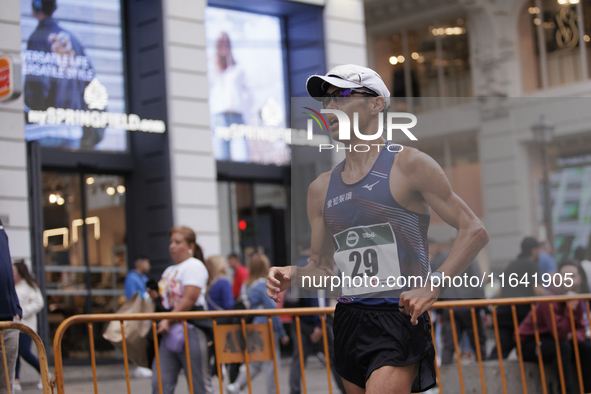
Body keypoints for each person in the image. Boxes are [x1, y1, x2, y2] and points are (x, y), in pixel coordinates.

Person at [267, 64, 488, 394]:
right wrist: (293, 274)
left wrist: (434, 283)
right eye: (326, 101)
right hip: (348, 320)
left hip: (397, 318)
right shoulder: (320, 188)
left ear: (376, 104)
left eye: (341, 96)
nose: (329, 107)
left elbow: (474, 230)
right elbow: (324, 270)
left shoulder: (409, 164)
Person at [23, 0, 101, 149]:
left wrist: (34, 111)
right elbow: (89, 81)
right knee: (69, 171)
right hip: (72, 130)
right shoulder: (73, 39)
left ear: (36, 8)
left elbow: (37, 84)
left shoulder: (38, 37)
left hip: (44, 129)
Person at [152, 226, 212, 394]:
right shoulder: (169, 270)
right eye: (171, 242)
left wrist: (167, 320)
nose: (172, 246)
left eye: (177, 242)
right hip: (169, 331)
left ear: (190, 246)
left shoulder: (194, 266)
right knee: (160, 384)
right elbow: (166, 301)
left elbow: (190, 298)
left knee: (199, 385)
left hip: (191, 330)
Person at [519, 261, 591, 394]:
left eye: (572, 276)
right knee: (562, 347)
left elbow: (581, 329)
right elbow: (560, 334)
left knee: (586, 346)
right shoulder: (549, 299)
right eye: (564, 275)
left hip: (557, 338)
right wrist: (570, 309)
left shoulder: (576, 298)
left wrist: (573, 336)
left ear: (580, 279)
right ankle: (565, 391)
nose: (568, 280)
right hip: (530, 342)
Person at [288, 241, 346, 394]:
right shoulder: (317, 266)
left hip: (300, 318)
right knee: (335, 357)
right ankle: (345, 389)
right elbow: (317, 297)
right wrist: (319, 323)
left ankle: (294, 390)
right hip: (315, 319)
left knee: (298, 359)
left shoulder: (299, 264)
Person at [227, 254, 289, 394]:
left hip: (251, 327)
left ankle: (237, 385)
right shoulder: (263, 284)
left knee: (255, 362)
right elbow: (271, 309)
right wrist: (282, 333)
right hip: (265, 328)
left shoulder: (246, 285)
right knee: (271, 364)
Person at [489, 237, 546, 360]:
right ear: (533, 250)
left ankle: (486, 375)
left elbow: (499, 292)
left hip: (503, 312)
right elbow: (538, 290)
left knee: (501, 350)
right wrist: (553, 298)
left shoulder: (511, 264)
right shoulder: (532, 265)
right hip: (522, 313)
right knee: (527, 348)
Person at [431, 250, 488, 365]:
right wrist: (485, 309)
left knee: (448, 345)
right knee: (478, 344)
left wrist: (439, 311)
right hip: (469, 307)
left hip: (449, 307)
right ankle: (484, 375)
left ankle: (444, 378)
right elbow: (478, 284)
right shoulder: (469, 255)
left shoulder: (442, 258)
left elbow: (437, 284)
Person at [12, 261, 45, 392]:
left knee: (25, 352)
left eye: (13, 271)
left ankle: (45, 374)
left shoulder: (29, 286)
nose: (11, 273)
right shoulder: (12, 286)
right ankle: (15, 381)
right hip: (14, 325)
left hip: (26, 326)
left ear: (20, 272)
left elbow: (39, 303)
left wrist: (23, 312)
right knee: (15, 354)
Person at [0, 219, 22, 394]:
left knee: (6, 385)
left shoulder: (1, 228)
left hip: (8, 317)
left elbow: (6, 271)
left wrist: (16, 306)